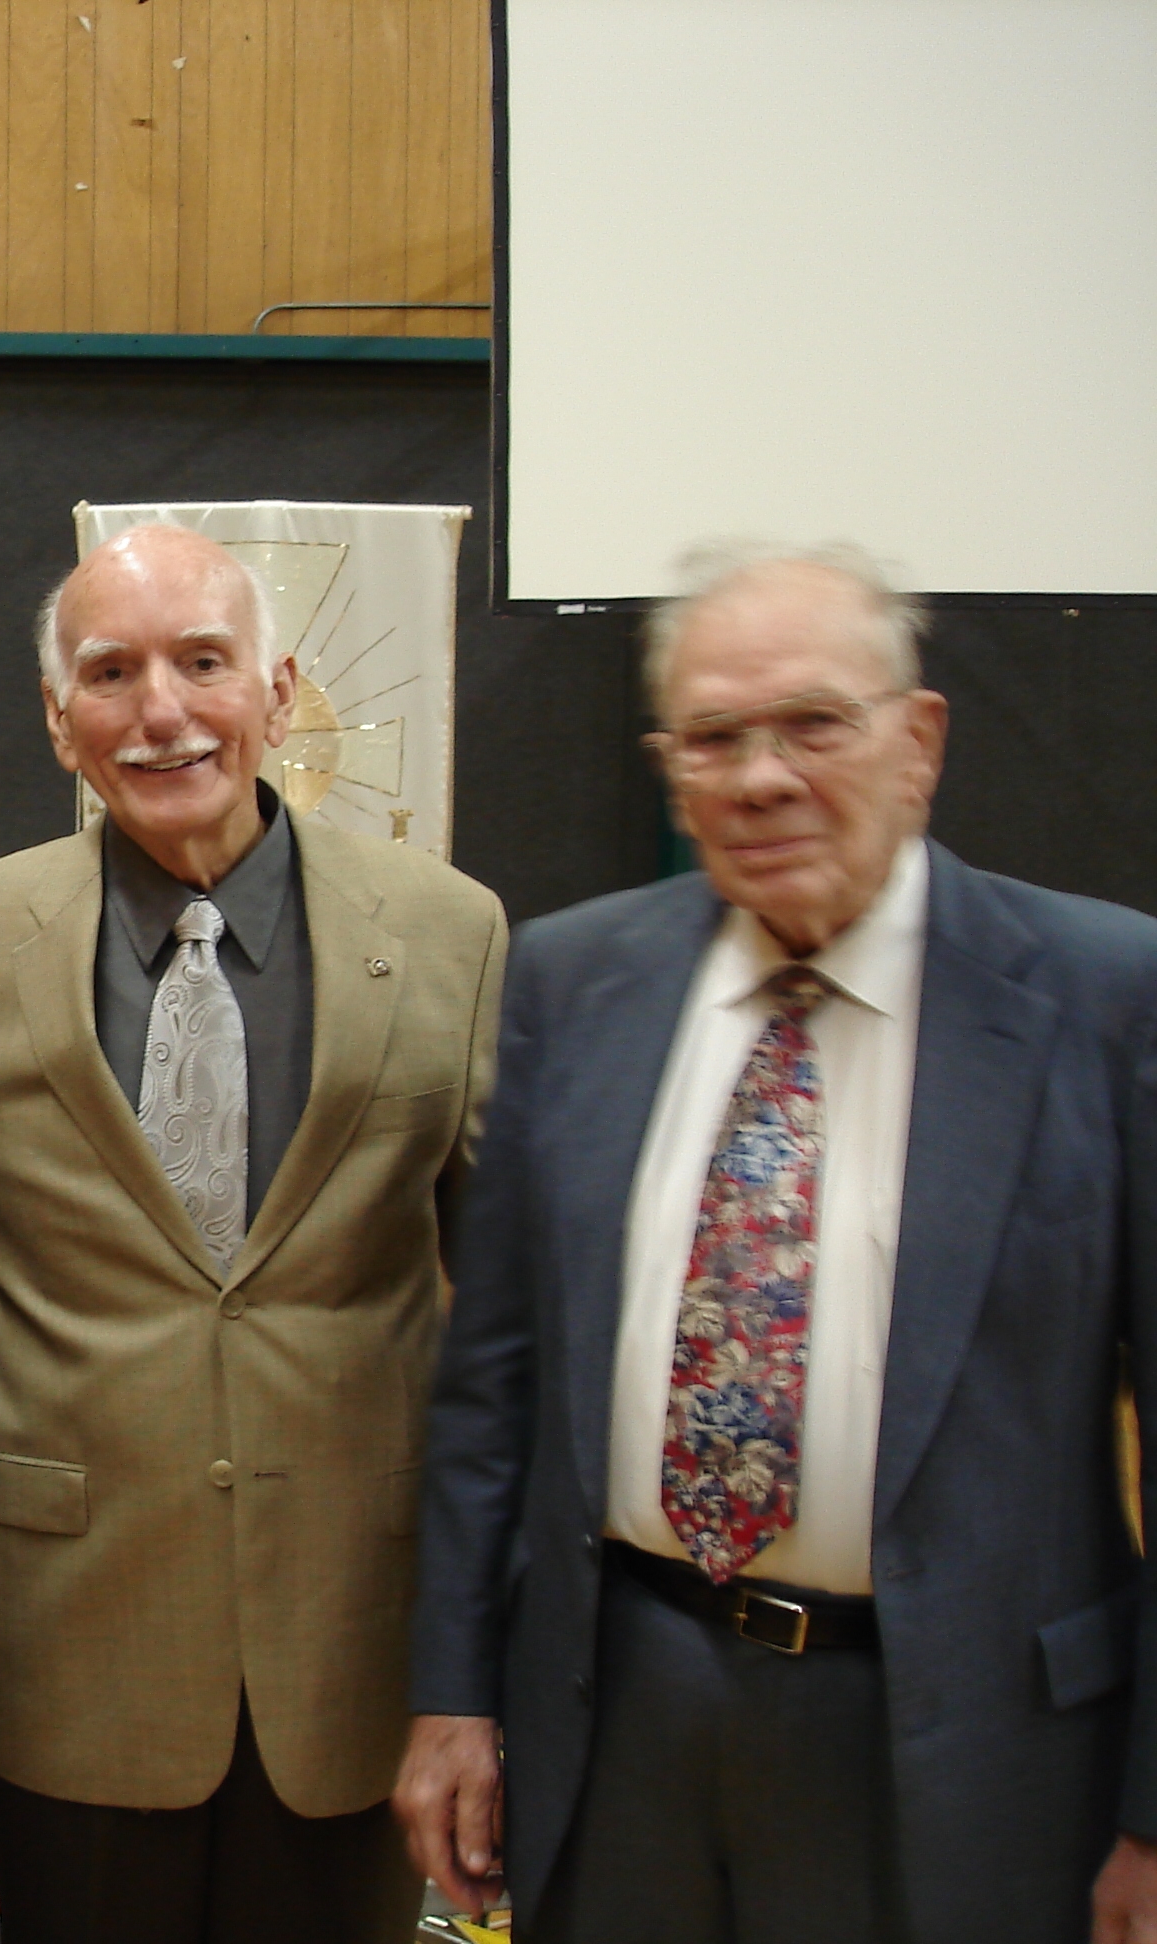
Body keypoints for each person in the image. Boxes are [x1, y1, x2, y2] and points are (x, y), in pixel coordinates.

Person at [400, 542, 1157, 1944]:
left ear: (919, 740)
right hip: (618, 1723)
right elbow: (491, 1390)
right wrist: (453, 1696)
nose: (760, 777)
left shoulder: (1107, 1000)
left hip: (971, 1758)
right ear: (668, 769)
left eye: (815, 722)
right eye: (713, 738)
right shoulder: (573, 981)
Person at [0, 523, 507, 1943]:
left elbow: (518, 1324)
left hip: (355, 1657)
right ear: (60, 720)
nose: (161, 710)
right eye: (111, 672)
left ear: (276, 693)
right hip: (72, 1658)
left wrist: (488, 1664)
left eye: (203, 662)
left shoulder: (449, 934)